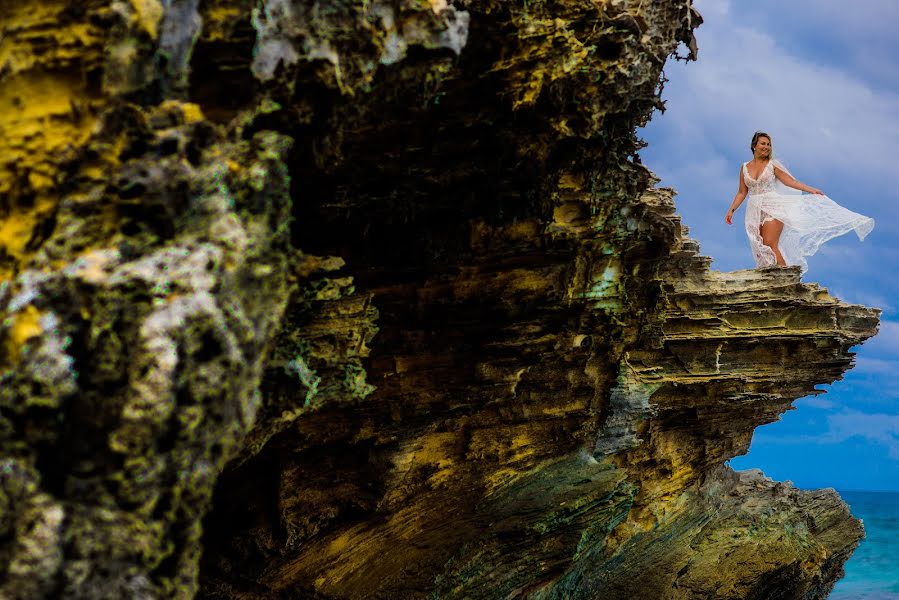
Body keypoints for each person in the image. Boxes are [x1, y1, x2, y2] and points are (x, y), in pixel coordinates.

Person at [724, 131, 874, 273]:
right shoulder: (744, 167)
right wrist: (732, 210)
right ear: (754, 146)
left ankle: (787, 278)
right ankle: (770, 278)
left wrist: (811, 189)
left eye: (769, 144)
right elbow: (742, 192)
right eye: (763, 143)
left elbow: (791, 181)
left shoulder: (772, 164)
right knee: (760, 247)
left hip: (773, 206)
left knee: (770, 244)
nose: (767, 147)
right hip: (754, 209)